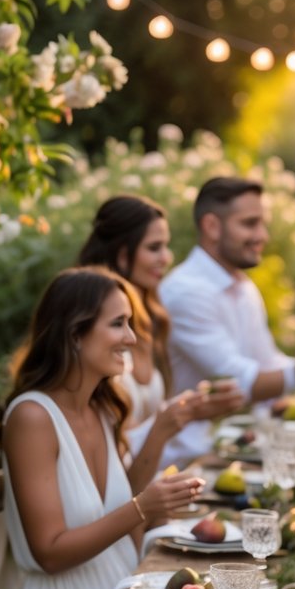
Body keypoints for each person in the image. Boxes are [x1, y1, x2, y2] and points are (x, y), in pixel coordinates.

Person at [1, 267, 204, 589]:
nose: (132, 338)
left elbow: (115, 507)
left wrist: (160, 437)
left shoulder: (102, 409)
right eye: (118, 323)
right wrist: (142, 509)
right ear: (74, 334)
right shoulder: (32, 418)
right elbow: (50, 552)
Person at [78, 194, 245, 462]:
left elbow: (154, 421)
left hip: (156, 477)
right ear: (122, 255)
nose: (166, 258)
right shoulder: (94, 331)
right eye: (154, 248)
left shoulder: (152, 319)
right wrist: (179, 416)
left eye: (166, 246)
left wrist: (197, 406)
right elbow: (104, 447)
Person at [160, 178, 295, 437]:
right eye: (250, 223)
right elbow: (238, 381)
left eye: (263, 224)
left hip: (238, 445)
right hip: (188, 460)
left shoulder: (242, 286)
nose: (263, 236)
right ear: (212, 226)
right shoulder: (185, 292)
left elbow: (267, 361)